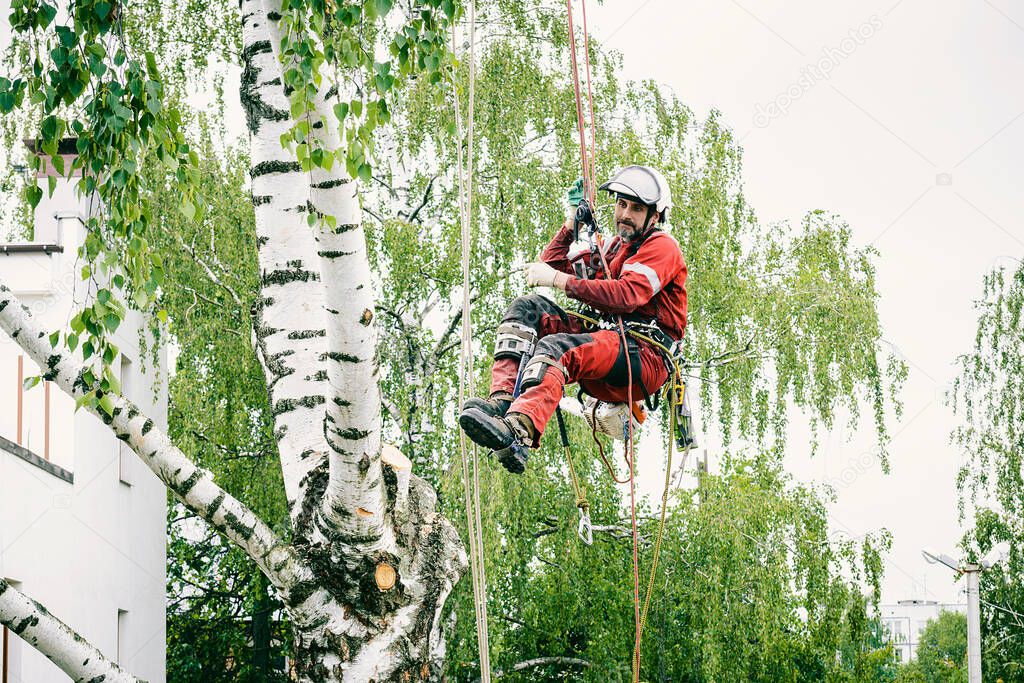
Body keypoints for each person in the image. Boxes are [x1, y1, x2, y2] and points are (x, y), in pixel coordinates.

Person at [459, 165, 688, 473]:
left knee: (559, 348)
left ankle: (519, 432)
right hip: (609, 343)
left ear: (655, 216)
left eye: (636, 208)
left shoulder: (662, 247)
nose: (625, 214)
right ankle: (503, 401)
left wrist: (558, 281)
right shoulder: (613, 248)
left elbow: (626, 295)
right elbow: (551, 263)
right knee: (527, 310)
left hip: (643, 356)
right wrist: (570, 223)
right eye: (621, 204)